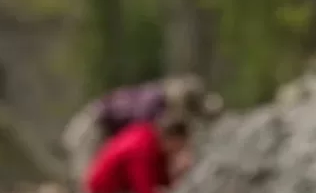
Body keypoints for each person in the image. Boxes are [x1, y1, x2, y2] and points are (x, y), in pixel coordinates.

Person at [61, 73, 222, 186]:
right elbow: (140, 141)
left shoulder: (158, 101)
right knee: (86, 178)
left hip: (103, 129)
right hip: (93, 127)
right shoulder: (154, 103)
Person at [82, 114, 192, 193]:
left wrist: (176, 175)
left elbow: (157, 176)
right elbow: (145, 191)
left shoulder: (148, 136)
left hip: (117, 190)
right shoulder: (142, 149)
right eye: (179, 146)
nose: (178, 151)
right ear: (172, 139)